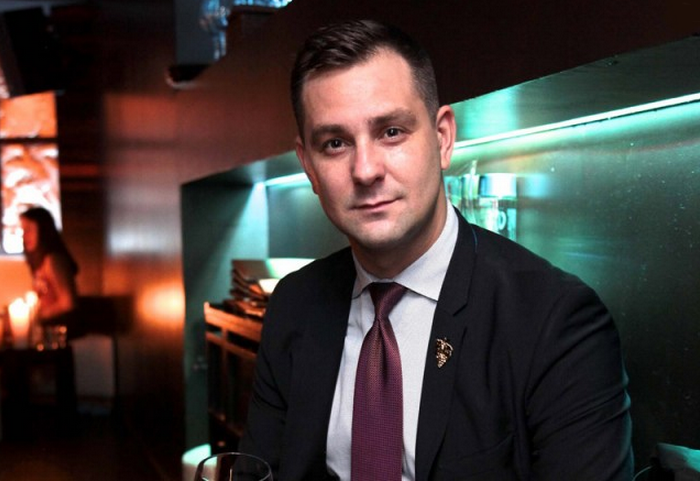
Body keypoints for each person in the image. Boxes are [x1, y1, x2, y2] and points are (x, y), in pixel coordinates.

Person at [240, 19, 633, 480]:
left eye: (391, 132)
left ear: (443, 138)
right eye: (335, 143)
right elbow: (258, 471)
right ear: (308, 164)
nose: (365, 170)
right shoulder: (294, 304)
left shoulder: (556, 320)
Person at [20, 206, 82, 339]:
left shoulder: (53, 260)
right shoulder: (40, 263)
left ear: (43, 230)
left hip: (63, 332)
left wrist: (38, 316)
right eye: (23, 231)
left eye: (29, 229)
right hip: (51, 332)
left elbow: (68, 303)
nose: (25, 236)